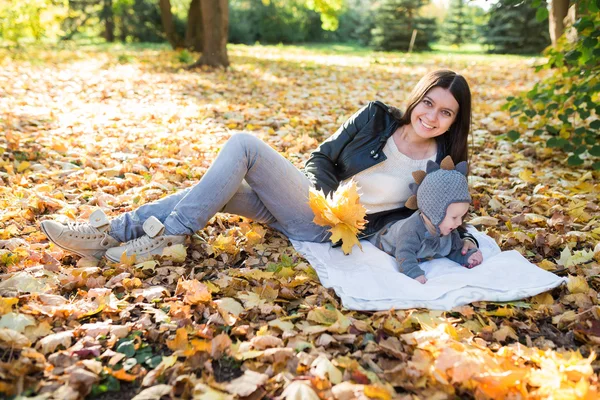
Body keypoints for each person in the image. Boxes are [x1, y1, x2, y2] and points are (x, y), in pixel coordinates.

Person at [40, 69, 479, 263]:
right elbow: (321, 158)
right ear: (417, 98)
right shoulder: (376, 117)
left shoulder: (442, 167)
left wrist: (466, 243)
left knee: (244, 144)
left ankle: (171, 234)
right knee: (221, 191)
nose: (431, 116)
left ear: (455, 121)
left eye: (446, 112)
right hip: (312, 204)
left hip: (336, 231)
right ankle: (108, 234)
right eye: (428, 102)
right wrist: (322, 197)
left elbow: (447, 213)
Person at [378, 156, 483, 284]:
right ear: (434, 212)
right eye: (455, 217)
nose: (459, 223)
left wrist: (467, 256)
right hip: (383, 235)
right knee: (383, 236)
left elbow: (453, 249)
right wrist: (414, 273)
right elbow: (404, 255)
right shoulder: (411, 230)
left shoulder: (447, 229)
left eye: (461, 216)